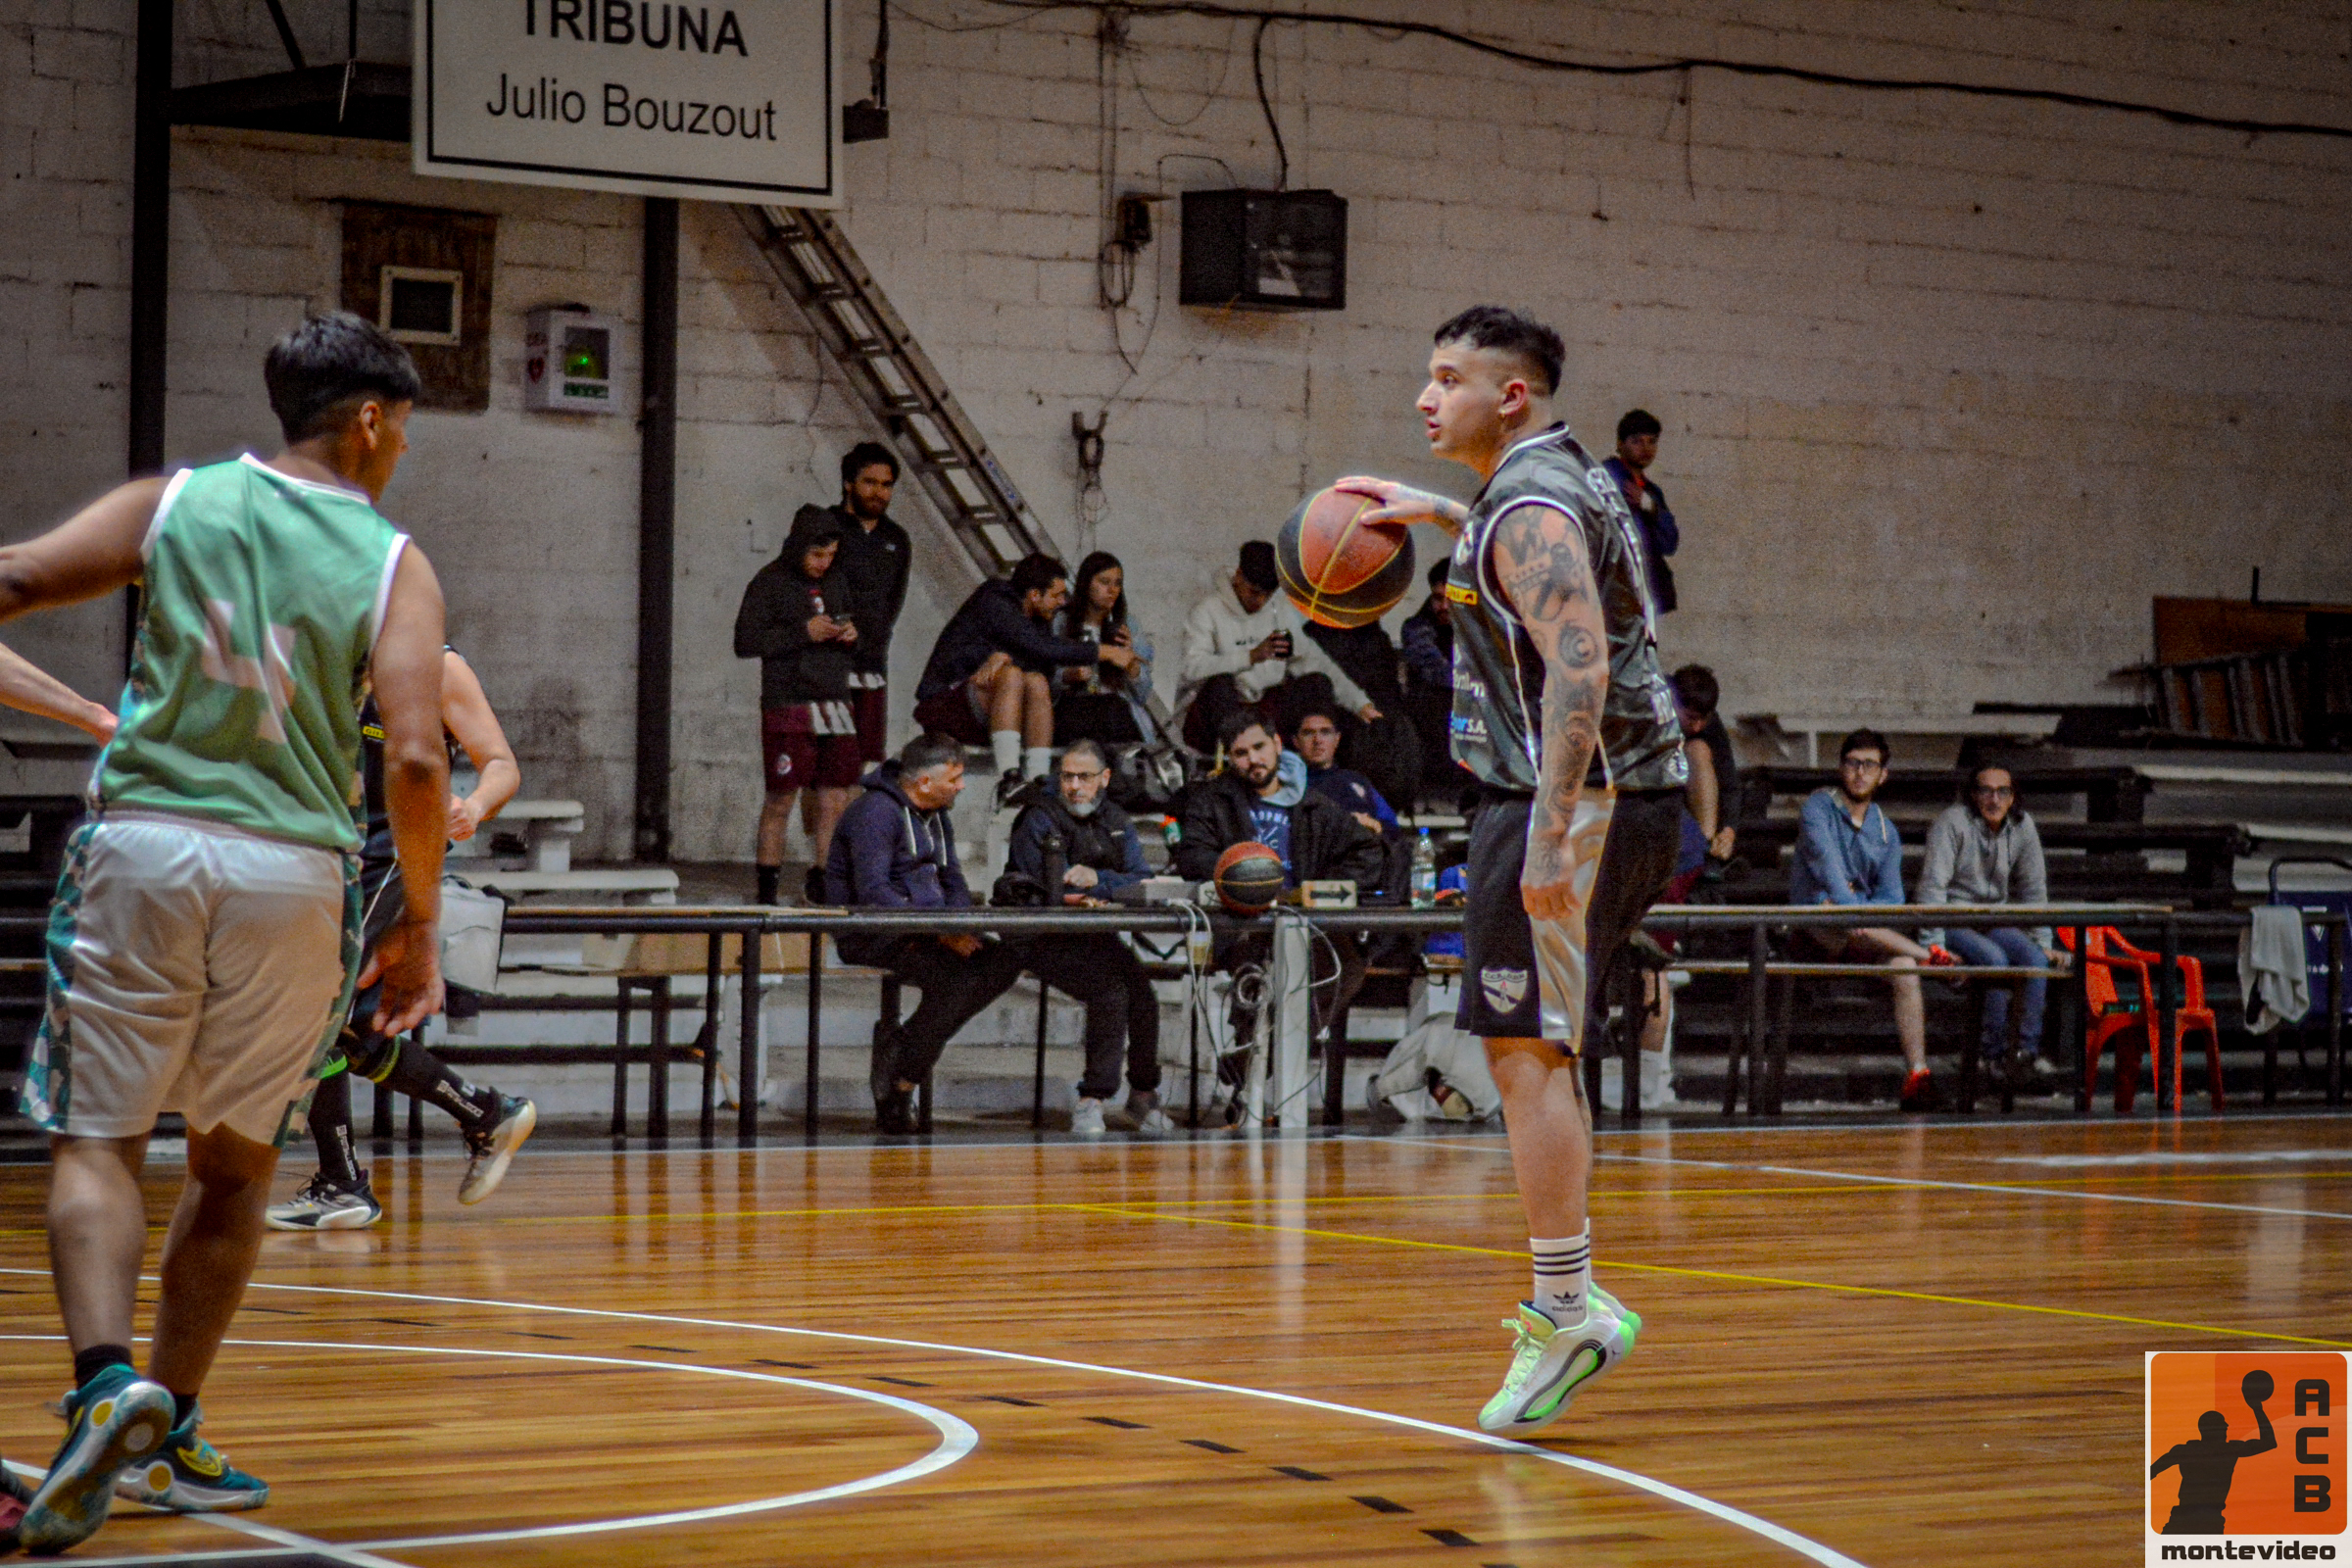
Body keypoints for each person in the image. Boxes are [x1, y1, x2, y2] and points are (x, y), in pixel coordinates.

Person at [0, 312, 450, 1550]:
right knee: (237, 1164)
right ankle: (170, 1425)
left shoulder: (174, 503)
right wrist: (419, 919)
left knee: (101, 1137)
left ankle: (107, 1385)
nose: (402, 451)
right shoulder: (393, 560)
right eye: (405, 430)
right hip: (294, 871)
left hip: (144, 845)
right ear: (370, 420)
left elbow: (16, 578)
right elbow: (417, 757)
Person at [1334, 304, 1689, 1436]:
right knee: (1532, 1048)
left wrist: (1547, 831)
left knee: (1526, 1052)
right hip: (1608, 792)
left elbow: (1578, 666)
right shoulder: (1546, 483)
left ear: (1512, 395)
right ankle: (1569, 1299)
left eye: (1449, 377)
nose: (1425, 396)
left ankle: (1567, 1309)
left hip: (1574, 798)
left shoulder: (1529, 507)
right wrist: (1442, 511)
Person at [265, 649, 536, 1233]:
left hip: (392, 854)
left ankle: (343, 1183)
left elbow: (501, 764)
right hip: (323, 849)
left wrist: (475, 806)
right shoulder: (318, 652)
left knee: (314, 1014)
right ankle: (486, 1114)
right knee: (349, 1027)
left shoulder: (438, 667)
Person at [825, 733, 1026, 1133]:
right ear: (923, 783)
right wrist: (940, 933)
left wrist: (960, 925)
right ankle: (902, 1083)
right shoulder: (875, 813)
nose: (962, 786)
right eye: (954, 779)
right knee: (955, 980)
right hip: (874, 932)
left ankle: (904, 1048)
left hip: (926, 927)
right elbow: (874, 893)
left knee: (1005, 958)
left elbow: (953, 880)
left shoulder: (937, 816)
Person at [1176, 710, 1385, 1093]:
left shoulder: (1312, 802)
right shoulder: (1212, 800)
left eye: (1259, 747)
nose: (1253, 760)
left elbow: (1367, 852)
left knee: (1347, 967)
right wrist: (1242, 880)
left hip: (1304, 921)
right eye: (1241, 753)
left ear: (1276, 744)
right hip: (1243, 920)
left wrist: (1318, 890)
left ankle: (1256, 1059)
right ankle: (1252, 1079)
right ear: (1230, 758)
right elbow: (1192, 855)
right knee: (1257, 973)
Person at [1004, 739, 1173, 1134]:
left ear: (1105, 778)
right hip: (1040, 935)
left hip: (1095, 935)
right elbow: (1053, 889)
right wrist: (1106, 888)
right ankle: (1092, 1099)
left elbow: (1142, 878)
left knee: (1144, 997)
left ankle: (1142, 1096)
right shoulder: (1038, 818)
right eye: (1067, 777)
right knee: (1110, 992)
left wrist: (1098, 879)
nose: (1074, 786)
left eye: (1084, 777)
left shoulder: (1116, 818)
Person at [1791, 729, 1958, 1111]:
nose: (1860, 772)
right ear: (1841, 767)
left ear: (1883, 775)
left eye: (1869, 765)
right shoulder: (1818, 807)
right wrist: (1850, 903)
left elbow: (1892, 900)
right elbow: (1828, 868)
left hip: (1864, 933)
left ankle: (1917, 1076)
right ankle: (1934, 958)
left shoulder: (1886, 831)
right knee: (1835, 915)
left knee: (1904, 967)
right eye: (1853, 763)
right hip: (1815, 930)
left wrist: (1854, 904)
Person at [914, 553, 1140, 808]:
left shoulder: (1038, 618)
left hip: (989, 710)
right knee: (1011, 675)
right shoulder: (995, 599)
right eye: (1056, 595)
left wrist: (1004, 656)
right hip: (945, 705)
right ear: (1034, 595)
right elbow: (1041, 647)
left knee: (1036, 680)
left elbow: (1040, 661)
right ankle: (1009, 778)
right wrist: (1105, 652)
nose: (1062, 602)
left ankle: (1037, 778)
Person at [734, 508, 864, 901]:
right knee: (781, 798)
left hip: (835, 700)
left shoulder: (836, 580)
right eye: (817, 555)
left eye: (831, 555)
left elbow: (851, 626)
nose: (823, 564)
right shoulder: (769, 582)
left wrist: (850, 633)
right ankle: (766, 893)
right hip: (788, 702)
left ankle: (824, 882)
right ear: (798, 547)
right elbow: (745, 642)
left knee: (835, 797)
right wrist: (802, 632)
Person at [1918, 763, 2064, 1083]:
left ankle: (2024, 1052)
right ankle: (1989, 1053)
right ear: (1973, 795)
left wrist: (2042, 942)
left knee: (2036, 960)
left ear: (2012, 797)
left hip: (1994, 918)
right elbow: (1932, 887)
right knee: (1994, 959)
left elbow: (2034, 889)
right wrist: (1934, 947)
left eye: (2002, 792)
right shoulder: (1952, 822)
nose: (1994, 799)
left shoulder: (2023, 825)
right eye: (1985, 791)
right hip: (1954, 917)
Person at [1175, 541, 1380, 755]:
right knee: (1219, 684)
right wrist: (1250, 656)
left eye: (1268, 594)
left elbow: (1312, 660)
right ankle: (1238, 759)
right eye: (1254, 592)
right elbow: (1191, 668)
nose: (1261, 601)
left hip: (1266, 708)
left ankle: (1313, 763)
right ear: (1238, 577)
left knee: (1316, 682)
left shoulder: (1278, 610)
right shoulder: (1207, 611)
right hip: (1222, 712)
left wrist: (1360, 704)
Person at [817, 442, 911, 779]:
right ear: (848, 483)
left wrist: (871, 639)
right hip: (826, 667)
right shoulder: (823, 526)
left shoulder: (896, 538)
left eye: (886, 485)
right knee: (823, 770)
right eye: (870, 482)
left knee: (865, 764)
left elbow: (892, 604)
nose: (879, 492)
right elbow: (805, 592)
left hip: (872, 666)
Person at [1053, 550, 1156, 746]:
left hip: (1115, 711)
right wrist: (1068, 676)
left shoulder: (1128, 625)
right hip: (1073, 707)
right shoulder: (1062, 621)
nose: (1112, 590)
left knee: (1113, 707)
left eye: (1117, 583)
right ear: (1086, 584)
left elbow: (1142, 696)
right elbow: (1045, 678)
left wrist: (1131, 665)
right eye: (1104, 582)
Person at [1399, 559, 1474, 808]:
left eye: (1449, 599)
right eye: (1437, 598)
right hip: (1434, 718)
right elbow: (1434, 670)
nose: (1443, 607)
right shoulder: (1417, 627)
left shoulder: (1477, 627)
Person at [2151, 1388, 2275, 1534]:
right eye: (2223, 1424)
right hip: (2208, 1520)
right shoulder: (2228, 1450)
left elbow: (2152, 1471)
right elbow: (2269, 1442)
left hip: (2185, 1518)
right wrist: (2257, 1409)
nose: (2227, 1426)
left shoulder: (2186, 1450)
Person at [1602, 409, 1676, 615]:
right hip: (1616, 591)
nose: (1646, 448)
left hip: (1644, 592)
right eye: (1637, 441)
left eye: (1652, 442)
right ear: (1620, 444)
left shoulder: (1651, 492)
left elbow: (1670, 543)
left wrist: (1649, 506)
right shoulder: (1608, 478)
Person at [1293, 704, 1396, 835]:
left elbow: (1392, 825)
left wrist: (1376, 825)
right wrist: (1347, 823)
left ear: (1337, 739)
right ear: (1296, 741)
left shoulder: (1357, 781)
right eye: (1308, 733)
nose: (1317, 740)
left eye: (1325, 732)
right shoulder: (1289, 783)